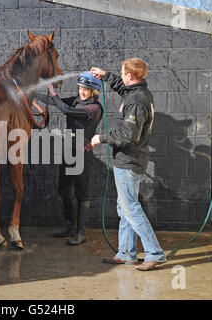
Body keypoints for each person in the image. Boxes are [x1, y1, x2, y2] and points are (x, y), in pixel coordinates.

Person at [90, 58, 166, 271]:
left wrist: (101, 138)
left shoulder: (137, 100)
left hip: (129, 160)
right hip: (130, 159)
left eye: (122, 73)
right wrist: (105, 76)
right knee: (124, 208)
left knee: (131, 208)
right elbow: (124, 90)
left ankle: (155, 253)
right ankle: (126, 253)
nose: (121, 76)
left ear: (130, 75)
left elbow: (128, 134)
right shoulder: (138, 92)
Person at [36, 71, 103, 245]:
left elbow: (66, 109)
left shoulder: (94, 109)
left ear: (94, 91)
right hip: (67, 151)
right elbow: (53, 101)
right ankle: (68, 227)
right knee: (64, 190)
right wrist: (30, 93)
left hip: (82, 153)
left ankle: (81, 233)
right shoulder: (75, 100)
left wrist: (53, 91)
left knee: (82, 193)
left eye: (86, 89)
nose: (82, 91)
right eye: (81, 88)